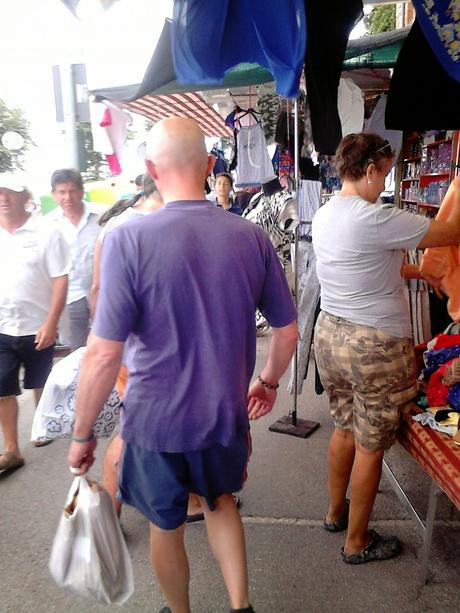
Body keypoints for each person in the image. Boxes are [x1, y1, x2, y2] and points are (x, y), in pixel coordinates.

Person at [68, 117, 297, 613]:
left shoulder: (127, 242)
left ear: (151, 169)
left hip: (154, 422)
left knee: (165, 525)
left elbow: (104, 353)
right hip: (224, 413)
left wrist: (83, 435)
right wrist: (268, 382)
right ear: (211, 165)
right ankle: (241, 607)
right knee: (220, 503)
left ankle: (180, 611)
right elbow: (288, 330)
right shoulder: (251, 237)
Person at [312, 132, 460, 565]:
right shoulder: (375, 217)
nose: (386, 183)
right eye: (387, 173)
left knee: (343, 429)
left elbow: (374, 263)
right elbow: (450, 230)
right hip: (374, 346)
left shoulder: (326, 214)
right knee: (370, 444)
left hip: (331, 336)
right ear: (370, 170)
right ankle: (356, 542)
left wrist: (420, 273)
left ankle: (335, 514)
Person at [0, 173, 69, 470]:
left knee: (39, 381)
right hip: (3, 326)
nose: (4, 198)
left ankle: (42, 423)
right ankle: (12, 449)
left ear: (25, 196)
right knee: (2, 387)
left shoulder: (46, 231)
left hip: (38, 324)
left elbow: (60, 278)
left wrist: (51, 321)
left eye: (10, 192)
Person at [48, 168, 100, 350]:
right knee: (75, 349)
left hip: (102, 290)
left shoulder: (103, 216)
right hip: (70, 294)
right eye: (62, 192)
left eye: (71, 191)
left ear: (81, 191)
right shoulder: (49, 225)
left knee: (109, 341)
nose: (67, 197)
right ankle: (79, 379)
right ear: (54, 195)